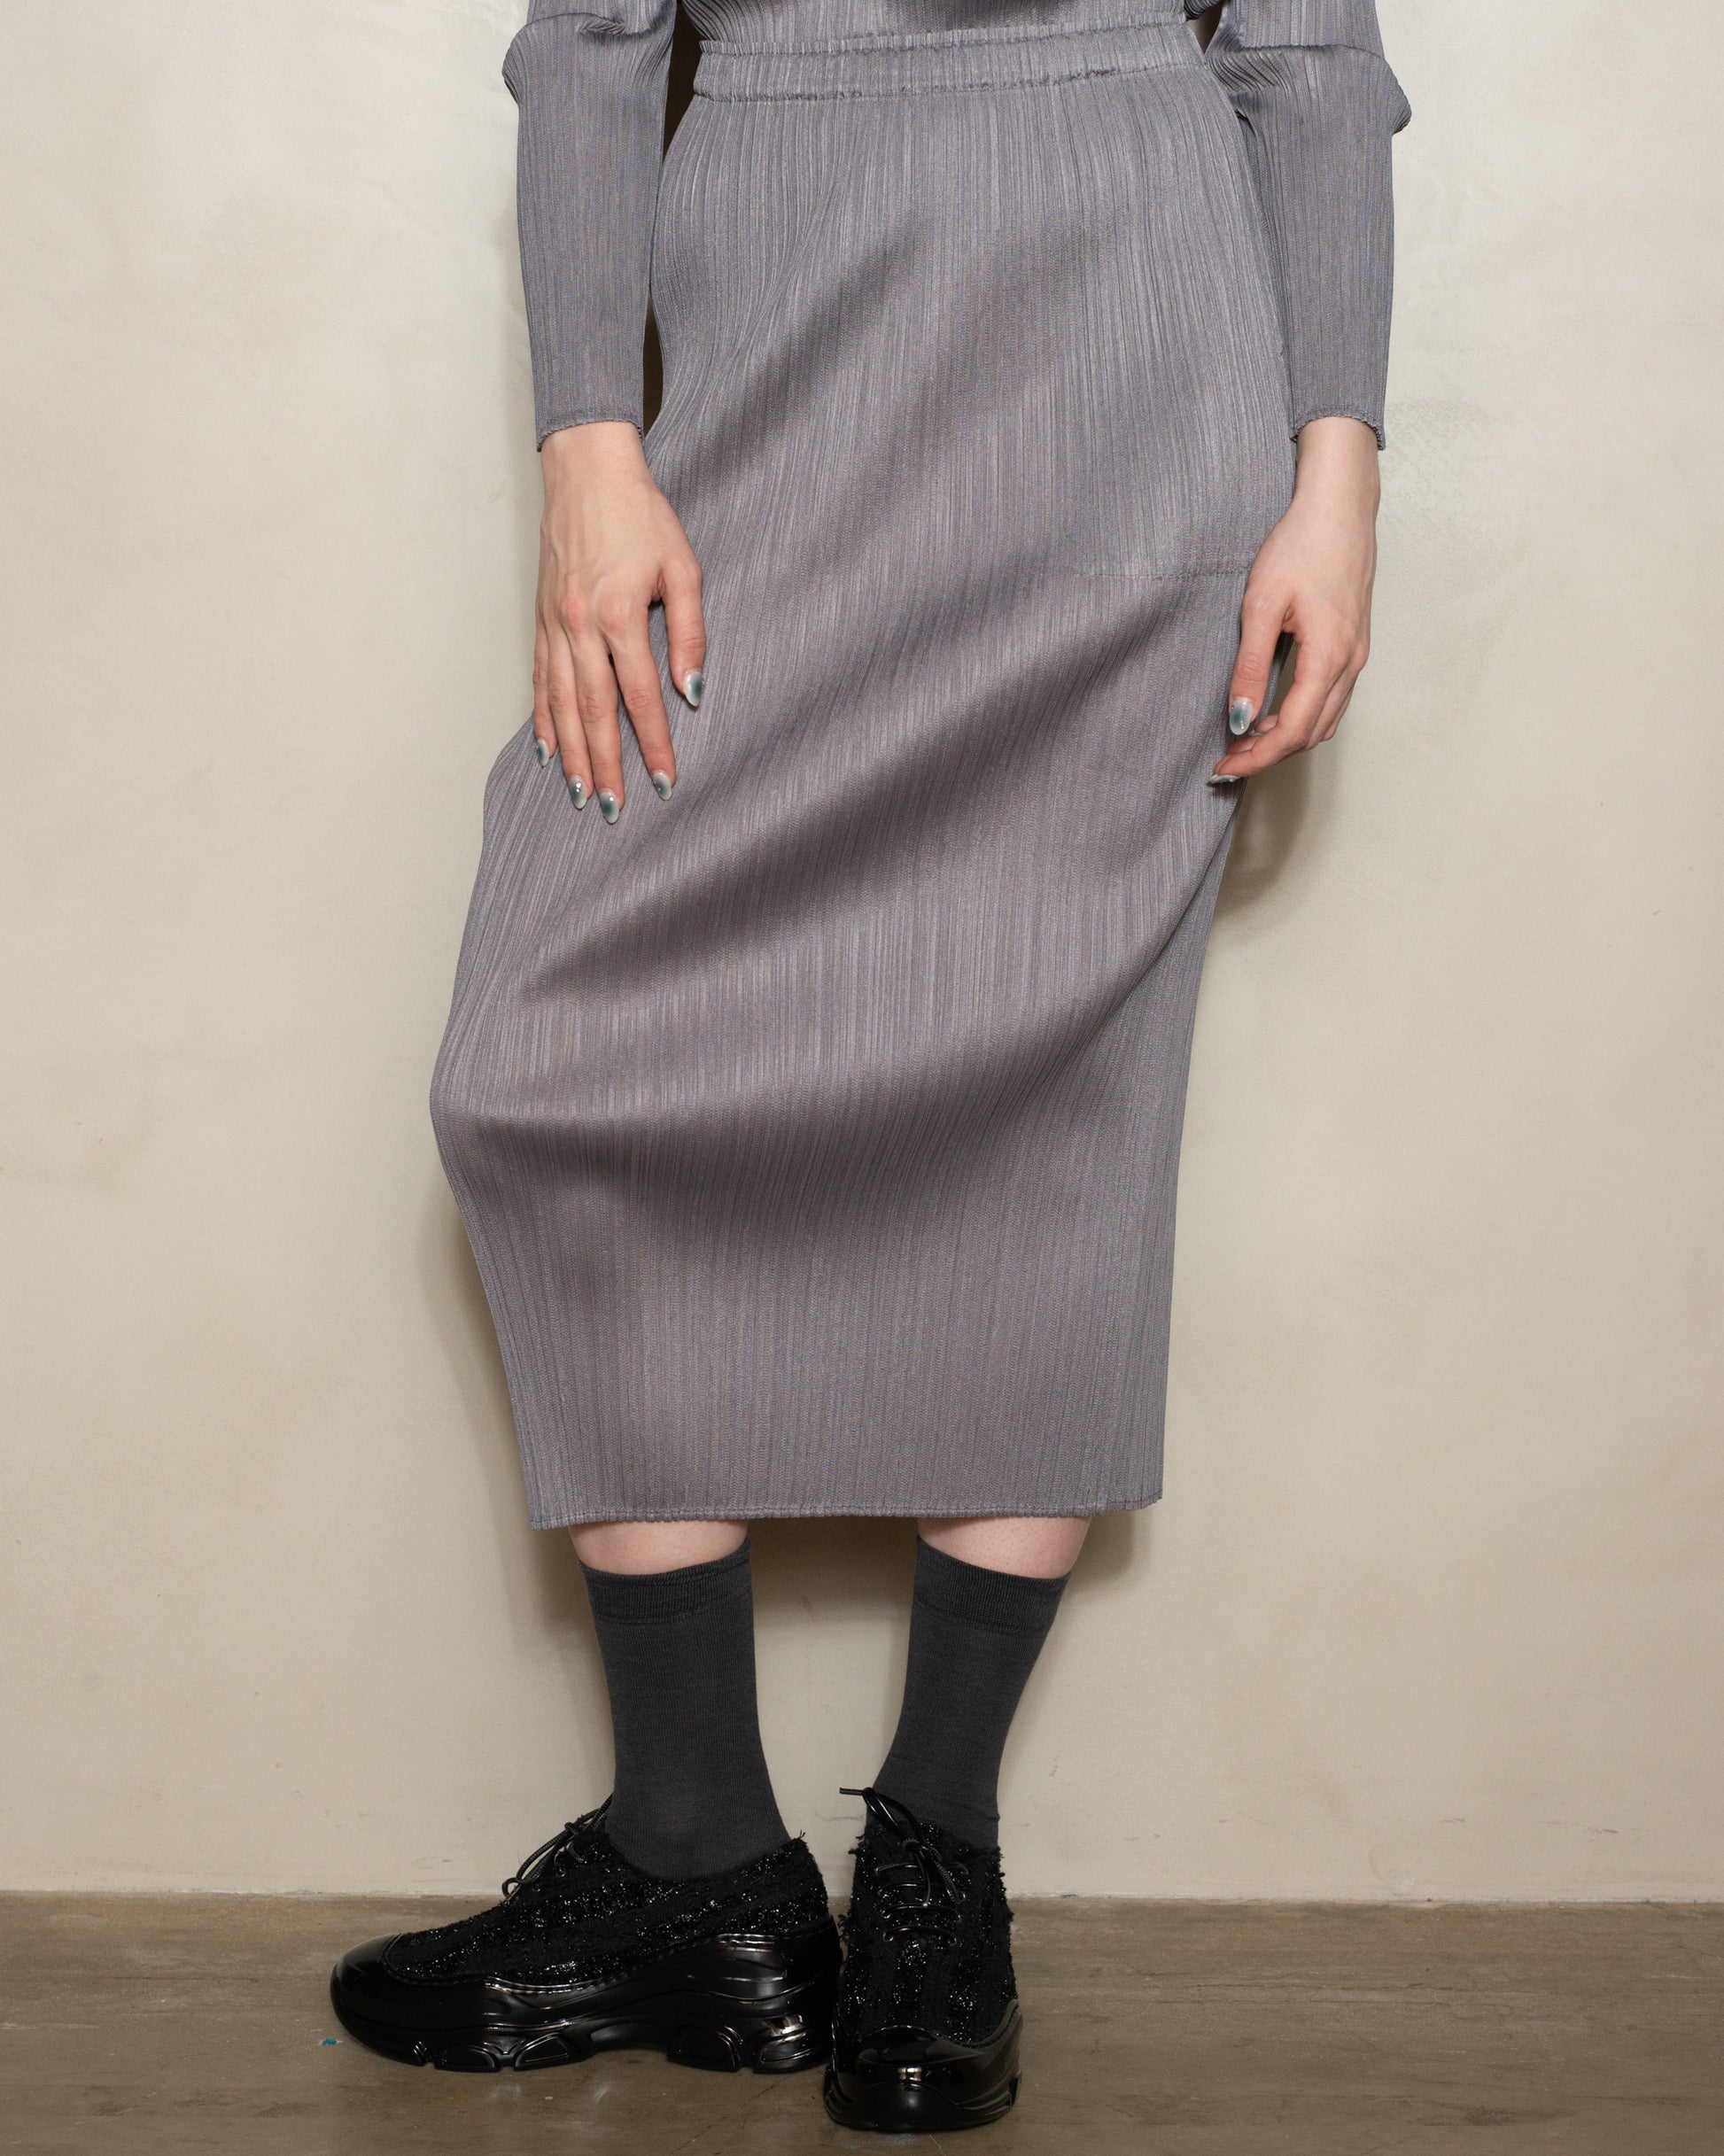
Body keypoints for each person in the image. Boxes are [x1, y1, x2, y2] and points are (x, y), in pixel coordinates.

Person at [330, 0, 1409, 2131]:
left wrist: (1339, 464)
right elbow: (592, 36)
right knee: (531, 1072)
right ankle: (697, 1854)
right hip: (770, 330)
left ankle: (936, 1860)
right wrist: (588, 442)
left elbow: (1302, 42)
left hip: (1131, 331)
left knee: (1052, 1075)